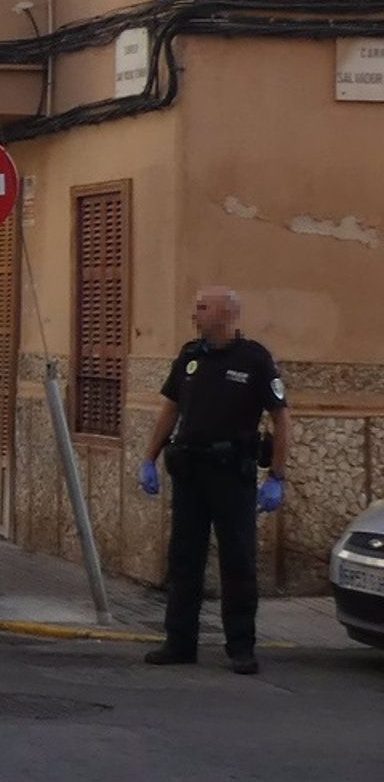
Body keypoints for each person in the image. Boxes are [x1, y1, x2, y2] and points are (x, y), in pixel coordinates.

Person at [138, 286, 292, 676]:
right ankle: (179, 642)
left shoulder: (254, 360)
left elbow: (281, 419)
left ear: (227, 314)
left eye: (203, 308)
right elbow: (170, 409)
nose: (195, 314)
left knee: (237, 560)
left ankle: (241, 647)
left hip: (231, 474)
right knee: (184, 558)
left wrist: (276, 476)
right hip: (191, 472)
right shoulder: (190, 356)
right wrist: (149, 458)